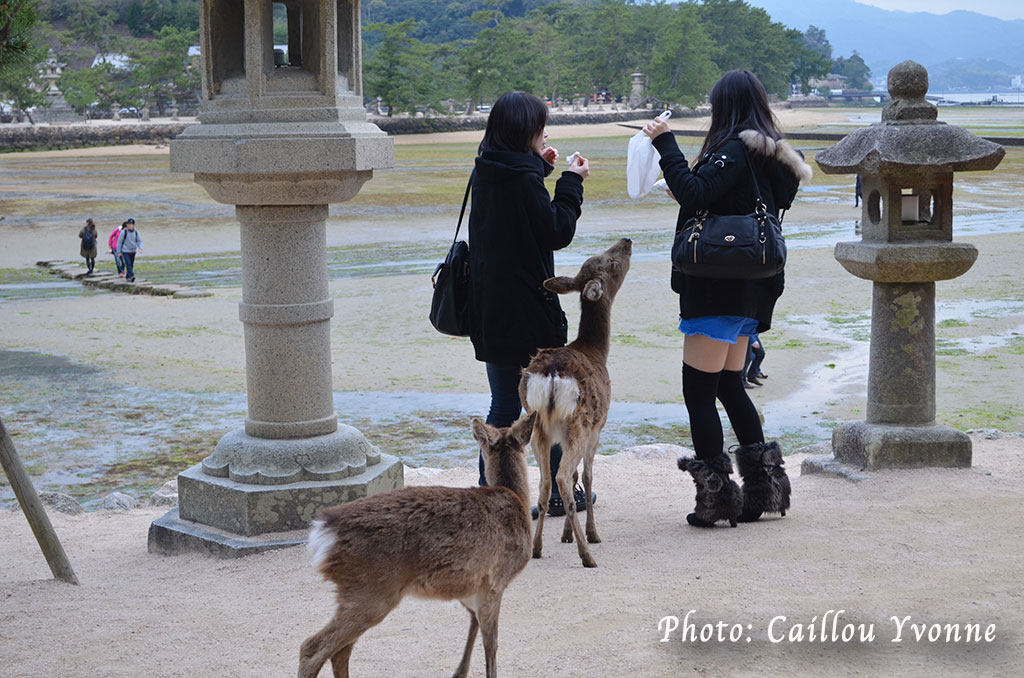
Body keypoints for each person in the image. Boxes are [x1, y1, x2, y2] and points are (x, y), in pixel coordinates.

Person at [642, 70, 812, 527]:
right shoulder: (777, 157)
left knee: (699, 391)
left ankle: (717, 501)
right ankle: (764, 491)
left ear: (726, 108)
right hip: (754, 289)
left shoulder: (734, 148)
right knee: (729, 386)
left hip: (718, 285)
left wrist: (666, 145)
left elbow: (695, 194)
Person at [467, 91, 592, 519]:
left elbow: (516, 212)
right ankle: (556, 494)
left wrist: (541, 166)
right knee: (548, 408)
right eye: (540, 129)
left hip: (490, 312)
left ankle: (490, 497)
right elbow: (555, 229)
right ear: (526, 132)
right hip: (530, 315)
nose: (545, 134)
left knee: (503, 404)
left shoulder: (485, 170)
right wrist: (572, 181)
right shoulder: (524, 179)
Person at [117, 218, 142, 282]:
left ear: (134, 225)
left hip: (133, 251)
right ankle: (131, 276)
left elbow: (139, 240)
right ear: (127, 225)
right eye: (129, 224)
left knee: (131, 264)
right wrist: (119, 252)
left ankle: (128, 276)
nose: (130, 226)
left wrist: (140, 248)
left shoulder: (136, 232)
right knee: (128, 264)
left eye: (132, 224)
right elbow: (119, 242)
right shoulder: (124, 232)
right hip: (125, 251)